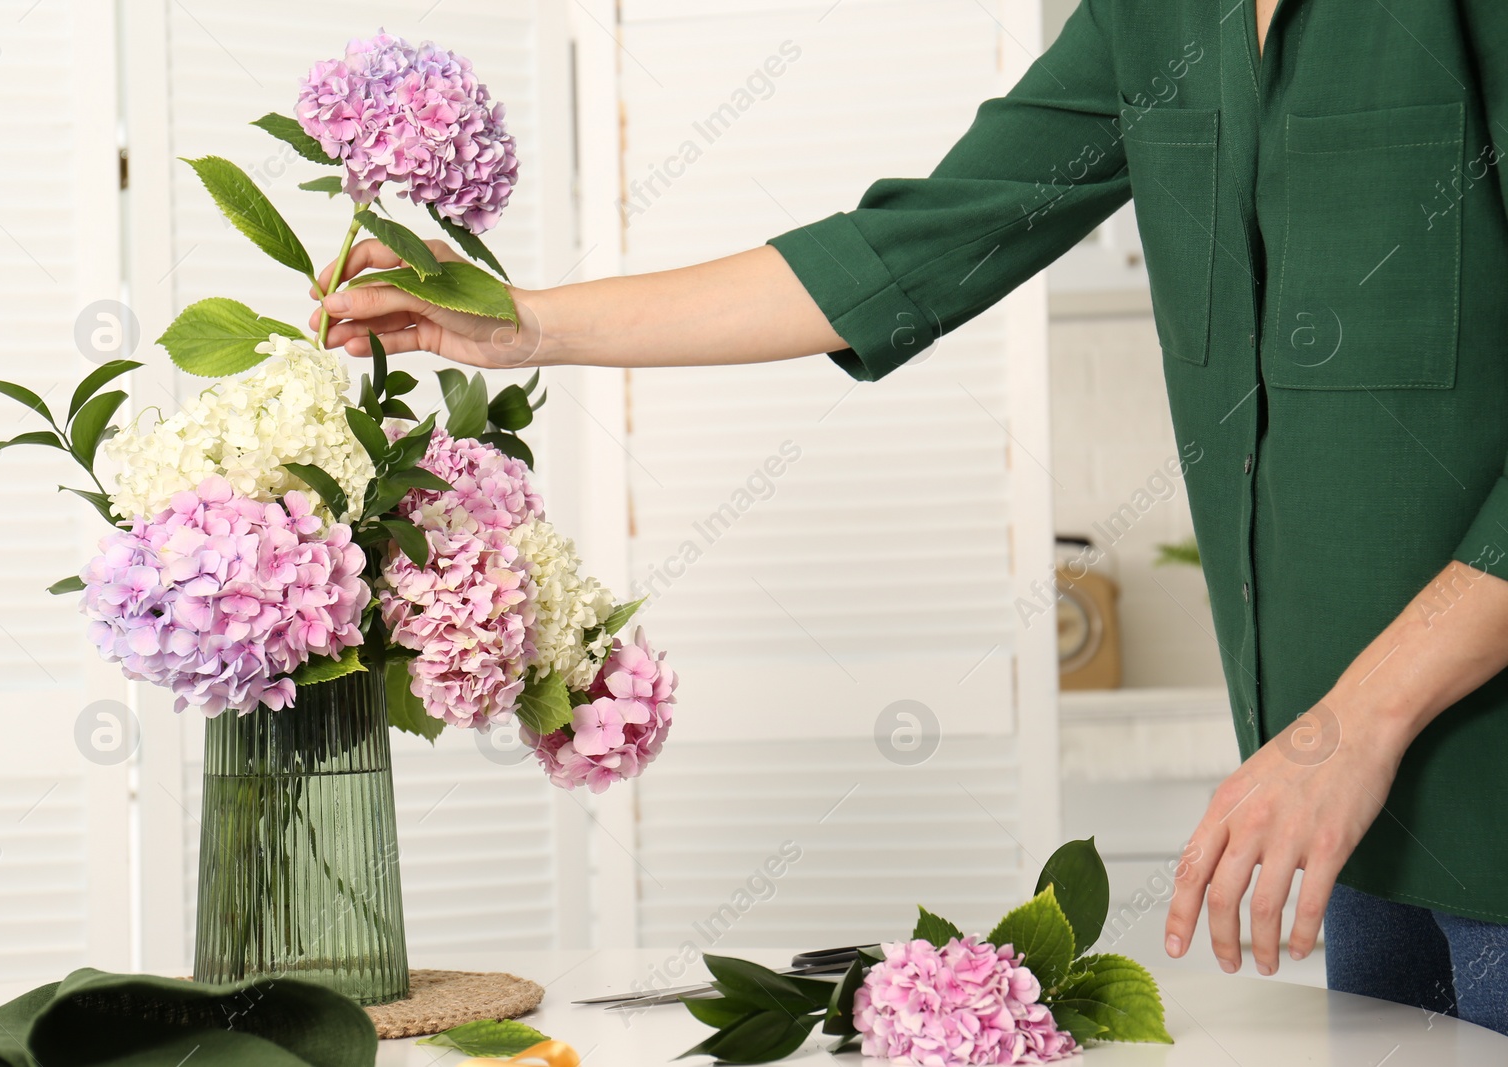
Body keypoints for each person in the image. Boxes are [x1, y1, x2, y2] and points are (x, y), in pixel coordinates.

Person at [310, 0, 1508, 1034]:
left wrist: (1356, 722)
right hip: (1348, 816)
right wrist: (523, 323)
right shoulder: (1152, 18)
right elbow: (907, 249)